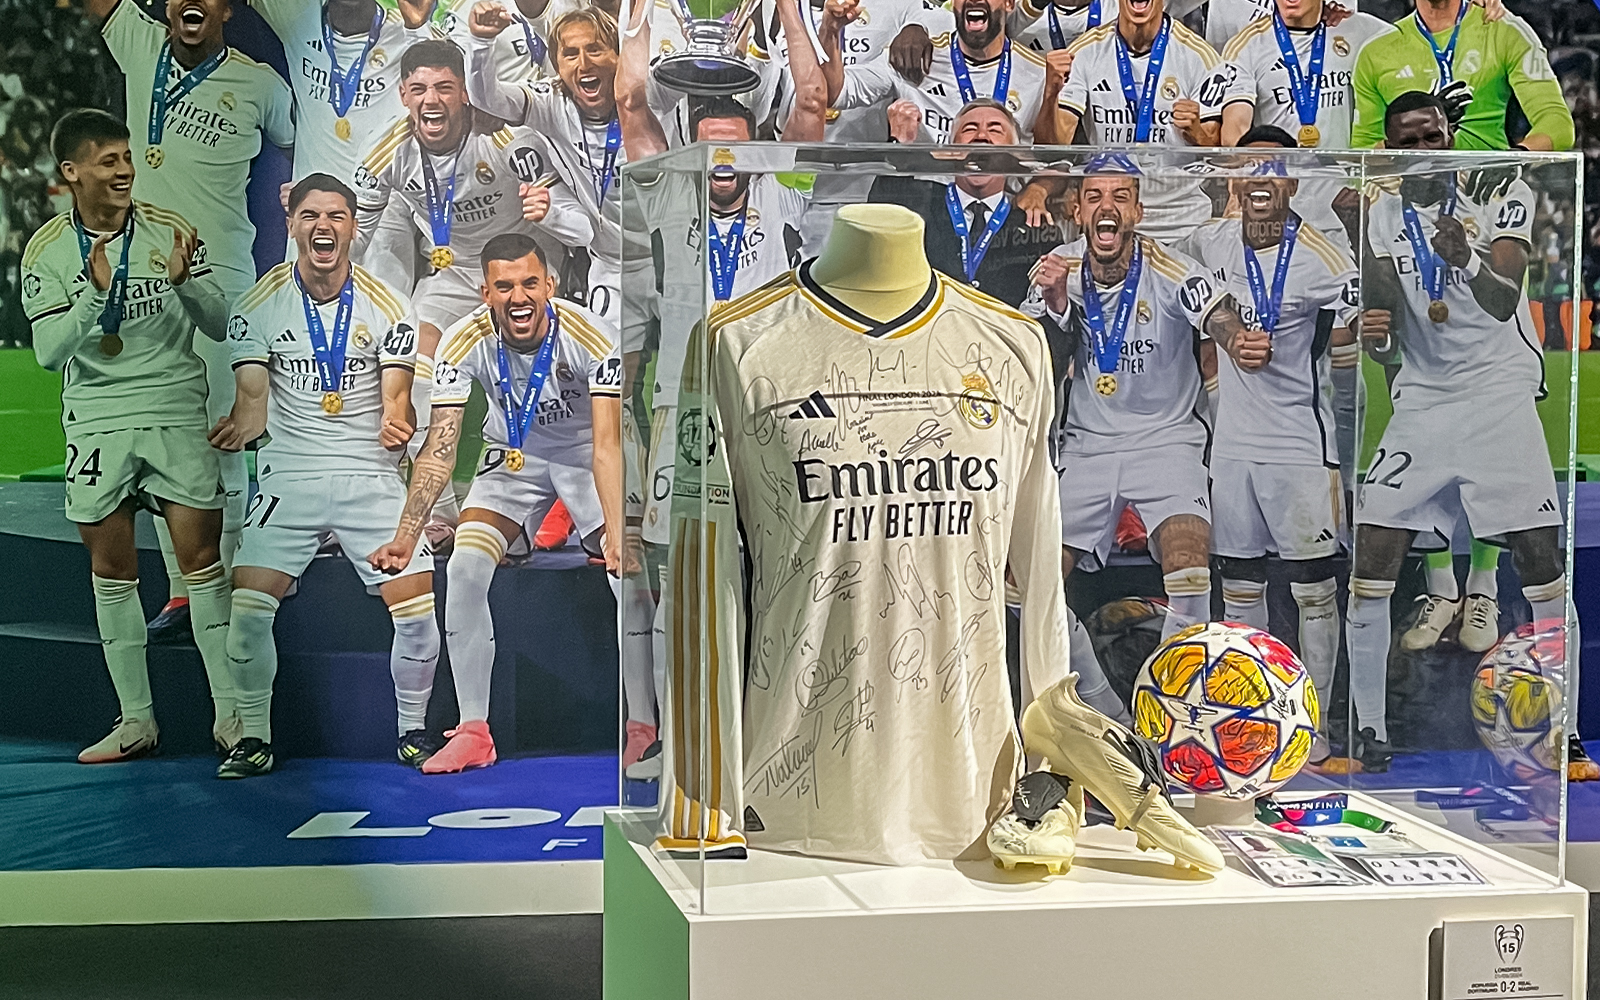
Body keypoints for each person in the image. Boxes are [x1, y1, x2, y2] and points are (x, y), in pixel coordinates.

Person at [609, 0, 827, 775]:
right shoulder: (667, 193)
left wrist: (795, 15)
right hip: (687, 408)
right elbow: (632, 103)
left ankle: (770, 734)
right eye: (709, 156)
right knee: (680, 576)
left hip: (775, 408)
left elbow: (810, 103)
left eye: (736, 155)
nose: (723, 169)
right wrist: (636, 18)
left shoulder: (785, 187)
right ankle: (679, 735)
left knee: (780, 572)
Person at [1347, 92, 1566, 773]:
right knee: (1372, 557)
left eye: (1433, 135)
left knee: (1540, 561)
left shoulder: (1504, 187)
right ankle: (1370, 732)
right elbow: (1384, 312)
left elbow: (1502, 299)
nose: (1424, 149)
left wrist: (1464, 259)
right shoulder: (1383, 213)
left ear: (1451, 136)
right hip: (1425, 402)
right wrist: (1377, 337)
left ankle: (1567, 728)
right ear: (1390, 150)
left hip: (1496, 393)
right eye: (1408, 140)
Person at [22, 109, 237, 762]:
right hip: (99, 422)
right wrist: (93, 297)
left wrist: (186, 284)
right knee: (112, 571)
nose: (122, 170)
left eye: (125, 158)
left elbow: (222, 322)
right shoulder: (46, 251)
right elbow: (51, 354)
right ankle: (137, 722)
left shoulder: (168, 231)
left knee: (202, 564)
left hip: (174, 409)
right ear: (72, 171)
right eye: (108, 160)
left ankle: (233, 718)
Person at [209, 174, 438, 778]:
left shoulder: (389, 304)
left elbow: (398, 401)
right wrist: (239, 426)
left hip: (369, 476)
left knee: (417, 614)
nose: (323, 227)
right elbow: (253, 401)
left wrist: (398, 421)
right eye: (311, 216)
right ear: (292, 224)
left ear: (353, 226)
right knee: (249, 612)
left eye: (336, 216)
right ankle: (252, 738)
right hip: (291, 476)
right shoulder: (257, 305)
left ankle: (412, 730)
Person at [370, 233, 623, 774]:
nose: (519, 296)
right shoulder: (462, 342)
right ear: (485, 292)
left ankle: (648, 719)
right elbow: (438, 450)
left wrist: (619, 534)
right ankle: (474, 730)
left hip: (583, 456)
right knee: (463, 567)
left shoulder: (592, 334)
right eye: (504, 286)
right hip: (511, 457)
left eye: (530, 283)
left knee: (630, 573)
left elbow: (607, 445)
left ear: (549, 285)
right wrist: (407, 534)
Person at [85, 0, 295, 642]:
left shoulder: (261, 85)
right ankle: (183, 592)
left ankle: (236, 586)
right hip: (140, 278)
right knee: (159, 436)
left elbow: (304, 144)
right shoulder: (140, 44)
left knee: (222, 438)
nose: (188, 4)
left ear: (227, 10)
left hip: (219, 277)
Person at [1178, 131, 1358, 758]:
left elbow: (1364, 328)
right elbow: (1178, 282)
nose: (1260, 177)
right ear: (1233, 177)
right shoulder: (1208, 241)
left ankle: (1319, 726)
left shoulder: (1325, 258)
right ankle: (1256, 718)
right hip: (1230, 448)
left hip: (1298, 445)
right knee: (1243, 589)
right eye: (1248, 165)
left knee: (1314, 590)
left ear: (1291, 182)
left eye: (1274, 168)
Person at [1031, 164, 1251, 643]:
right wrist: (1054, 304)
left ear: (1138, 211)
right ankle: (1097, 699)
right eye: (1094, 196)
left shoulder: (1170, 266)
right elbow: (1041, 360)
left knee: (1190, 573)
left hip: (1167, 441)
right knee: (1024, 589)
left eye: (1120, 196)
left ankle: (1174, 697)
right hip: (1087, 445)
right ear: (1077, 210)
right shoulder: (1056, 269)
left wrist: (1236, 341)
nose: (1106, 206)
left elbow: (1215, 312)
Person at [1047, 0, 1231, 241]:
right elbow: (1056, 144)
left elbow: (1217, 149)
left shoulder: (1199, 55)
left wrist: (1197, 131)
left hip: (1181, 218)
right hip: (1111, 211)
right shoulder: (1086, 50)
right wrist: (1050, 94)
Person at [867, 99, 1062, 309]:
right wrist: (900, 144)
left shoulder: (1033, 226)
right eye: (970, 129)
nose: (981, 136)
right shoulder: (921, 200)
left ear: (1014, 154)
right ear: (952, 150)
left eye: (995, 130)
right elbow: (880, 217)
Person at [823, 0, 1063, 144]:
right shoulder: (913, 58)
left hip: (1003, 208)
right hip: (927, 203)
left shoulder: (1038, 73)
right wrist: (830, 31)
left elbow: (1051, 155)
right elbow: (837, 92)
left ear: (1009, 4)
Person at [1350, 0, 1571, 151]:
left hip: (1486, 199)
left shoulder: (1504, 31)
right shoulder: (1376, 51)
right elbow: (1364, 149)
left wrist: (1511, 163)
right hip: (1408, 204)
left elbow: (1558, 124)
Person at [1219, 0, 1392, 147]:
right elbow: (1235, 132)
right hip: (1281, 179)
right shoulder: (1246, 47)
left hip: (1348, 181)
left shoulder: (1366, 32)